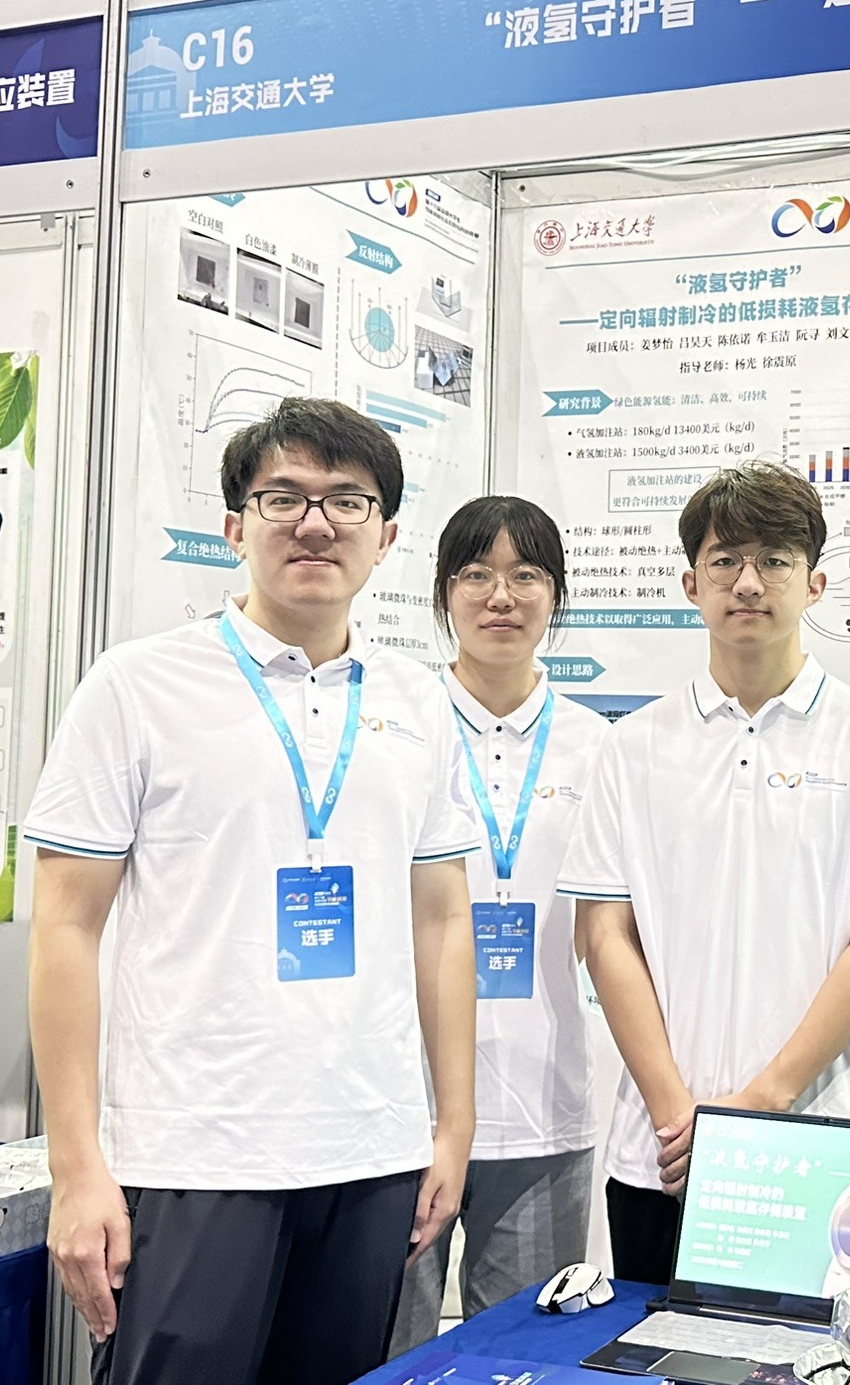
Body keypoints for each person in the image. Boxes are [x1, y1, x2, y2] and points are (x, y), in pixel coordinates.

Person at [25, 397, 483, 1385]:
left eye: (347, 501)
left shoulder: (417, 700)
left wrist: (452, 1127)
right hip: (195, 1152)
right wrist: (75, 1166)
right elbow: (64, 927)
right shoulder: (137, 686)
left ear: (386, 537)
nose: (315, 523)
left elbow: (445, 921)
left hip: (371, 1151)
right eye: (284, 498)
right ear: (235, 526)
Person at [562, 460, 850, 1282]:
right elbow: (605, 936)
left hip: (823, 1144)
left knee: (817, 1351)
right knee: (654, 1347)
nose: (748, 581)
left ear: (815, 584)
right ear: (691, 584)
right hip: (665, 1152)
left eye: (775, 560)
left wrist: (764, 1103)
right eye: (726, 560)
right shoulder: (633, 746)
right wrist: (677, 1110)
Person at [386, 495, 609, 1353]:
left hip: (544, 1102)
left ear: (556, 595)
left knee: (521, 1354)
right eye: (476, 574)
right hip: (401, 1102)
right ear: (444, 592)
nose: (501, 596)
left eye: (526, 576)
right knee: (392, 1350)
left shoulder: (598, 747)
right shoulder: (394, 729)